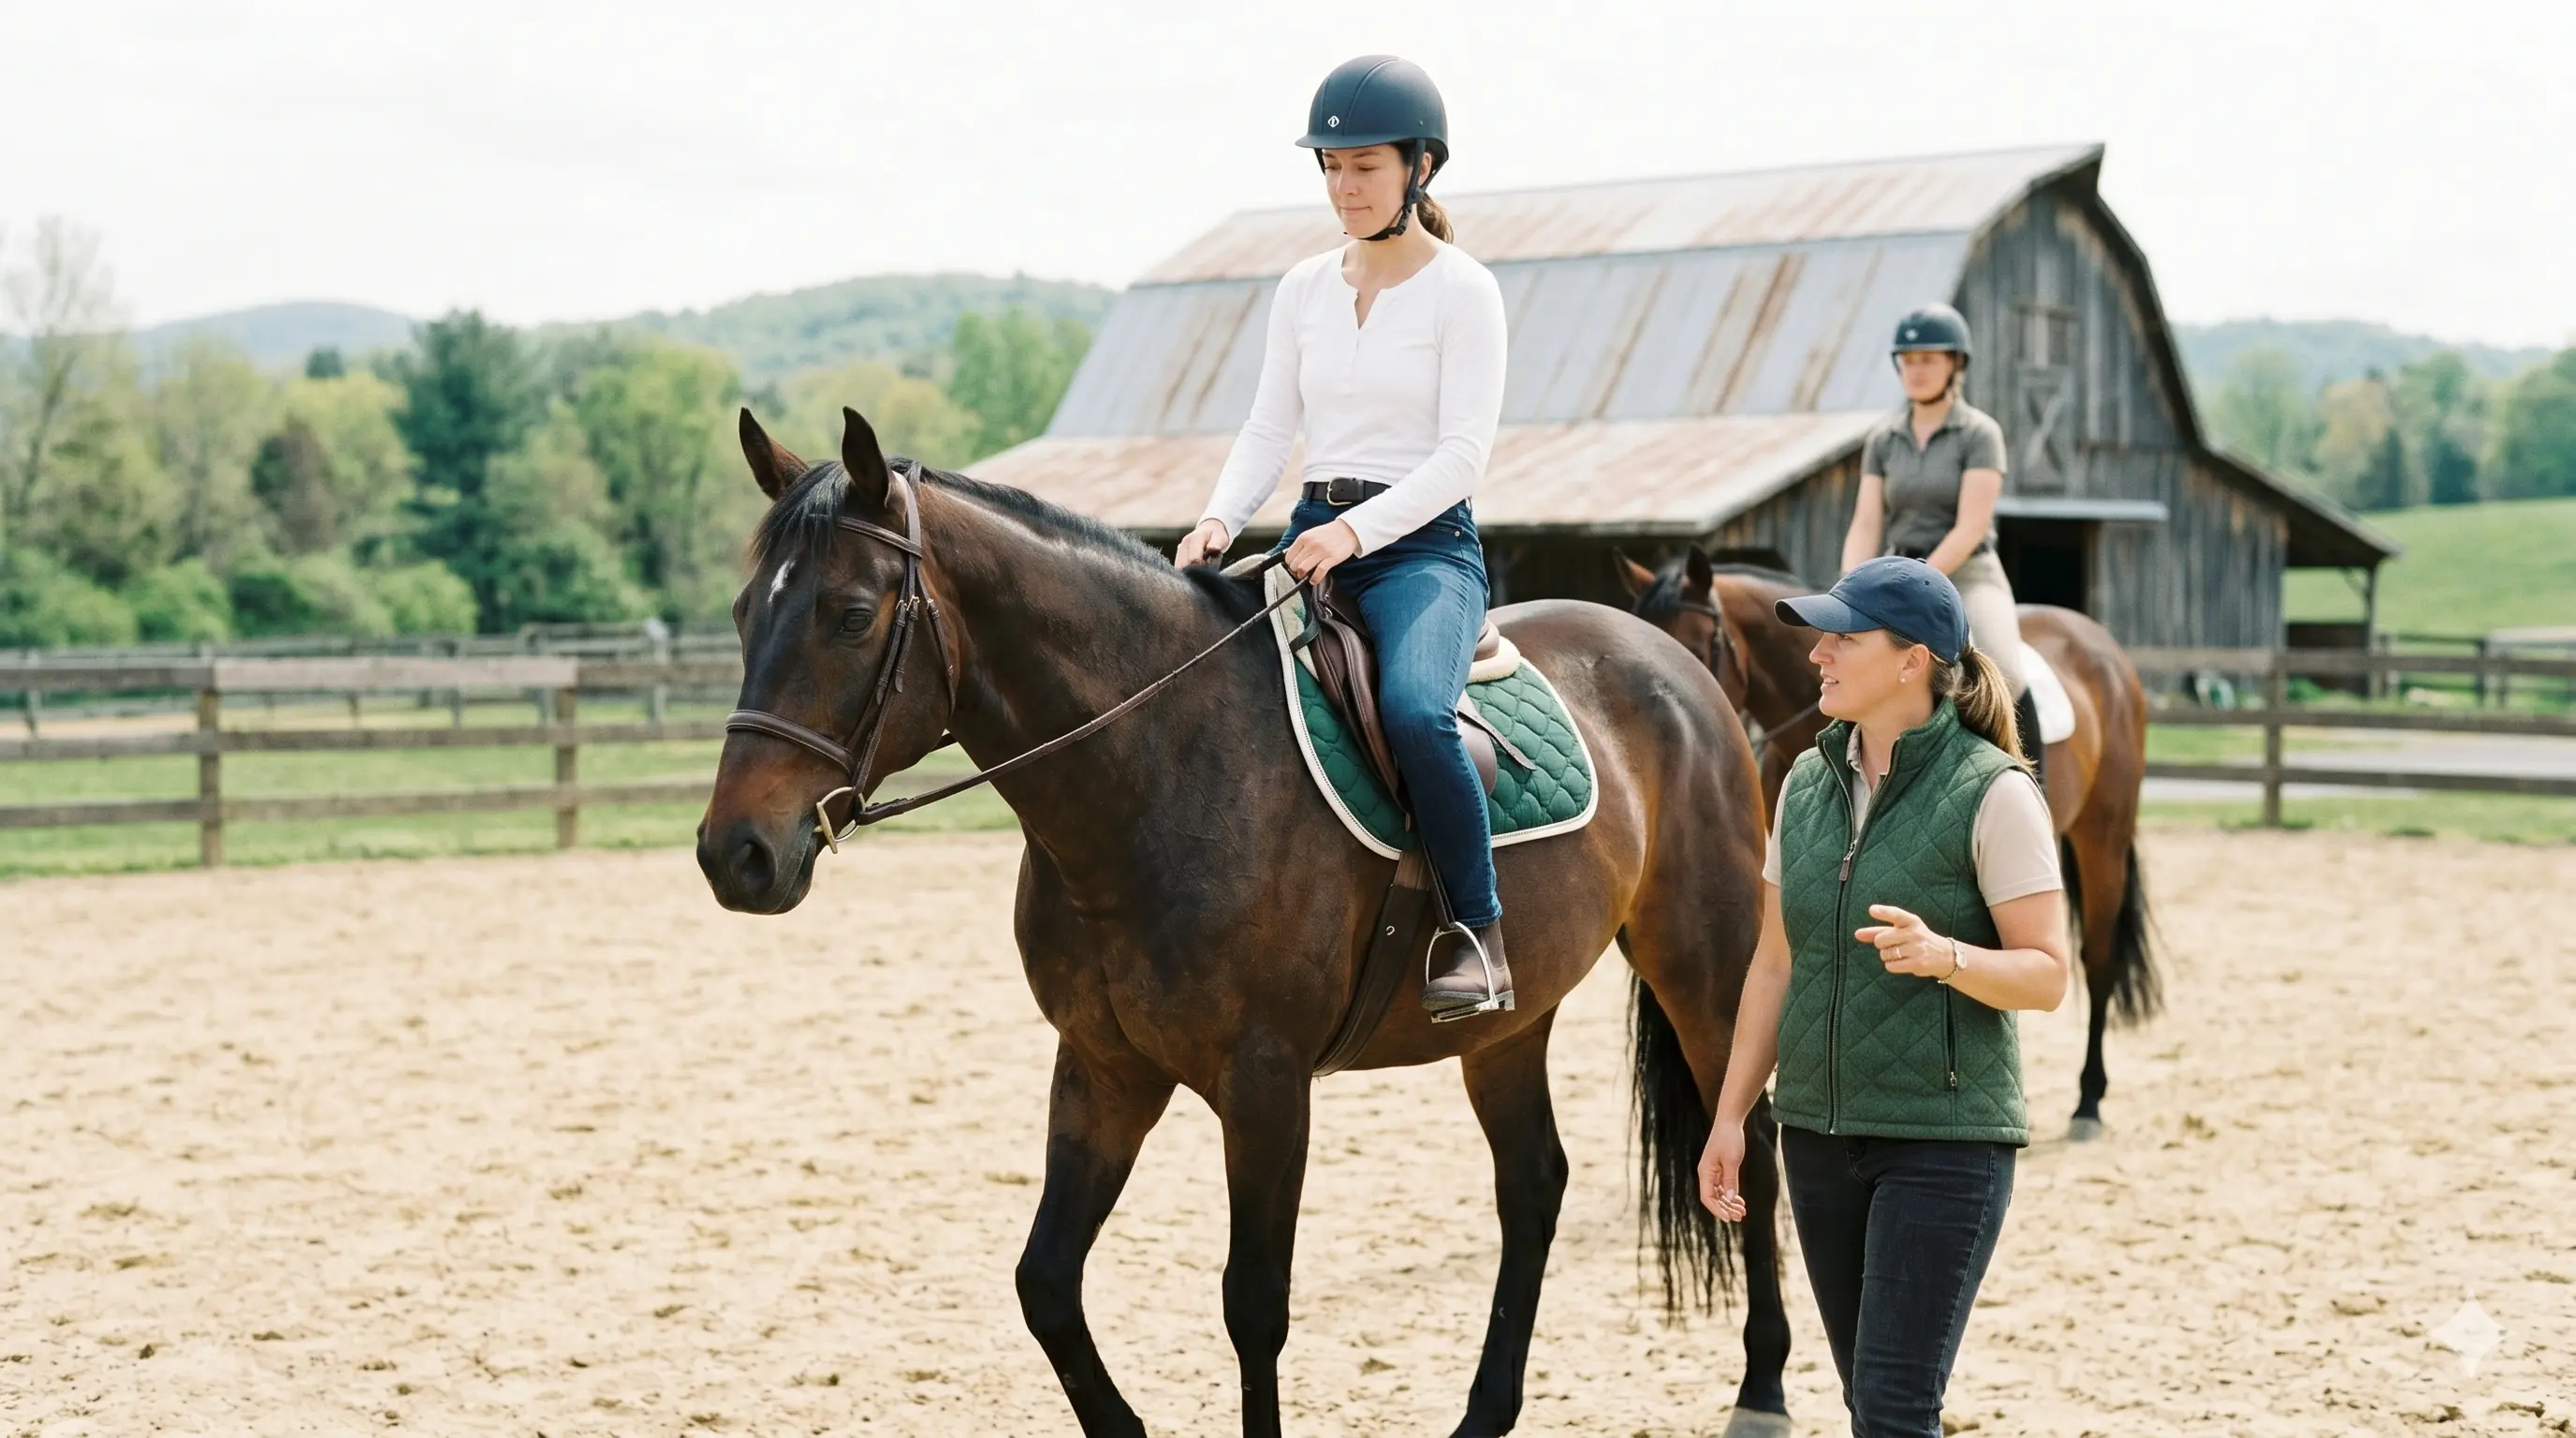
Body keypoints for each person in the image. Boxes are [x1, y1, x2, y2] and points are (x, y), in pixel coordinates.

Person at [1694, 557, 2072, 1436]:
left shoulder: (1994, 791)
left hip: (1944, 1145)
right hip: (1818, 1139)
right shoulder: (1803, 784)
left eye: (1843, 638)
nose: (1818, 654)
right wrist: (1730, 1116)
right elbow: (1773, 966)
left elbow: (2048, 974)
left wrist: (1947, 957)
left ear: (1912, 661)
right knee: (1873, 1406)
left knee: (1897, 1413)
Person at [1170, 55, 1514, 1020]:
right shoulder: (1302, 288)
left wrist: (1358, 533)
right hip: (1311, 529)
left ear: (1420, 169)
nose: (1343, 187)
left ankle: (1476, 933)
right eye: (1329, 168)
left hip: (1423, 549)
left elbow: (1462, 456)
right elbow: (1269, 429)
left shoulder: (1464, 292)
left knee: (1413, 710)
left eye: (1362, 166)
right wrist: (1217, 519)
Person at [1838, 304, 2047, 793]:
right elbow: (1866, 522)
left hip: (1968, 573)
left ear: (1955, 364)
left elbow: (1971, 527)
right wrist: (1850, 592)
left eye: (1928, 360)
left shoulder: (1979, 434)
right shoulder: (1883, 439)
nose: (1916, 370)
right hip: (1897, 569)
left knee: (2005, 671)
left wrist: (1918, 585)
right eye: (1908, 361)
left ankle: (2025, 791)